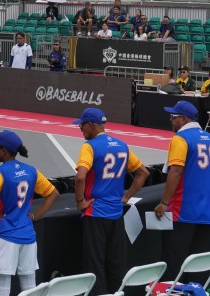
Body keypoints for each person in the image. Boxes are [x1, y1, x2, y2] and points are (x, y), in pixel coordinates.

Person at [73, 108, 150, 296]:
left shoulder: (89, 146)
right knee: (116, 264)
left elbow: (80, 177)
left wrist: (80, 201)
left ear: (91, 125)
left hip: (96, 212)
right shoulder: (122, 145)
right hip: (116, 213)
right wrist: (126, 197)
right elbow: (143, 173)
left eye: (82, 126)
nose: (81, 130)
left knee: (94, 264)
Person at [154, 100, 210, 282]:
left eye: (173, 116)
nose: (171, 120)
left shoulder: (181, 138)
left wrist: (164, 202)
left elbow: (176, 171)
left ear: (184, 119)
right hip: (206, 211)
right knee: (197, 264)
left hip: (182, 211)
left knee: (173, 263)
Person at [0, 130, 59, 296]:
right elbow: (53, 194)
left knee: (2, 285)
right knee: (29, 285)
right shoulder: (31, 171)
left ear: (3, 151)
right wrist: (35, 216)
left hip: (4, 234)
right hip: (27, 234)